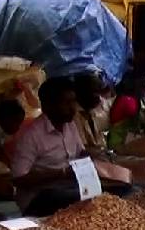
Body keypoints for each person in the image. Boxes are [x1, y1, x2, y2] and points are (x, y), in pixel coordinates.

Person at [10, 77, 89, 216]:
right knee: (78, 199)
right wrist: (62, 174)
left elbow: (80, 152)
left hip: (66, 190)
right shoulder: (31, 136)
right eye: (67, 103)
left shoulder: (69, 125)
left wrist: (89, 159)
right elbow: (18, 179)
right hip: (38, 199)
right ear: (48, 106)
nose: (73, 108)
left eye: (74, 102)